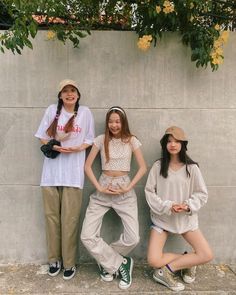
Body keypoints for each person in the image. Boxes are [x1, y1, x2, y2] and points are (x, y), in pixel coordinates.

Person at [81, 106, 147, 290]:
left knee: (133, 237)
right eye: (111, 121)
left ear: (123, 122)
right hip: (103, 189)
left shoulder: (131, 140)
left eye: (117, 121)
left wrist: (129, 186)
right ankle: (120, 264)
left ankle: (108, 263)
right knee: (86, 236)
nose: (114, 125)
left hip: (124, 190)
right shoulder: (101, 140)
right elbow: (87, 166)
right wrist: (99, 187)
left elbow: (142, 167)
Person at [35, 79, 95, 280]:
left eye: (73, 91)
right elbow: (42, 136)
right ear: (60, 95)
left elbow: (89, 139)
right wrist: (54, 146)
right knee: (52, 218)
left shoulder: (85, 113)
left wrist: (78, 148)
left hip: (73, 174)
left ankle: (69, 263)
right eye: (65, 91)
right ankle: (54, 260)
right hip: (51, 173)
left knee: (69, 220)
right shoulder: (52, 110)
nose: (69, 94)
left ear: (78, 94)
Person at [145, 126, 213, 292]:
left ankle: (167, 271)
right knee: (153, 260)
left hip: (185, 220)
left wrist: (187, 205)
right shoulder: (158, 166)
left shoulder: (192, 168)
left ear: (183, 144)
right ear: (165, 145)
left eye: (176, 141)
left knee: (206, 255)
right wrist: (167, 206)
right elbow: (149, 192)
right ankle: (188, 260)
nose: (173, 144)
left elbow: (202, 194)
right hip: (162, 220)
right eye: (169, 141)